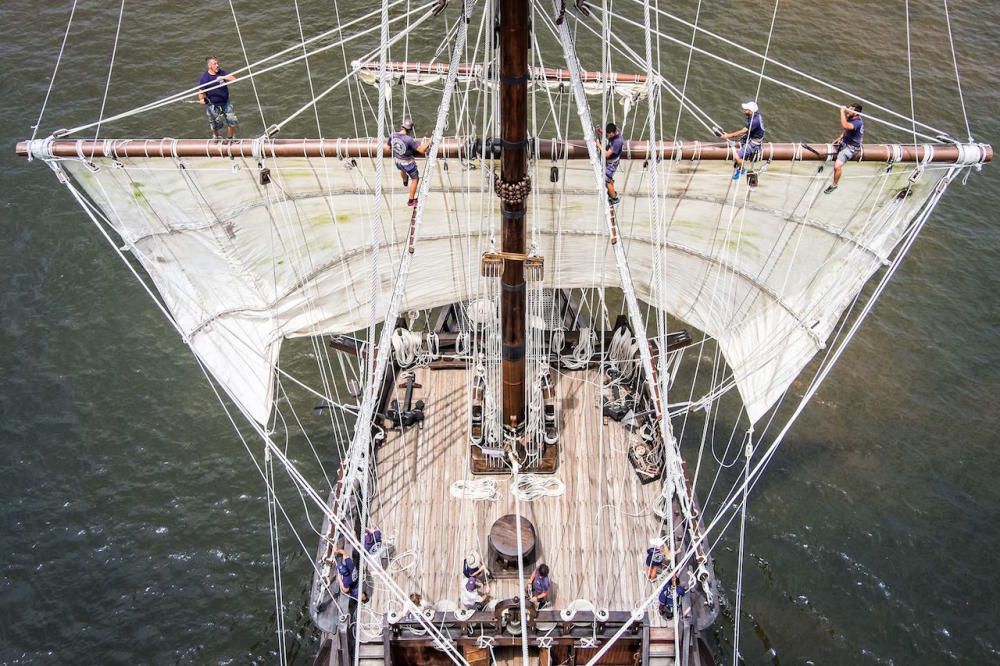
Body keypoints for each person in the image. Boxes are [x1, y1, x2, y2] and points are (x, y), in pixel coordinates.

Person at [717, 101, 765, 180]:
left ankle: (742, 170)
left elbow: (741, 132)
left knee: (737, 156)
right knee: (740, 142)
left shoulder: (754, 121)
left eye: (746, 110)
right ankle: (743, 155)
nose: (744, 111)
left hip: (754, 142)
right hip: (753, 135)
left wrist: (727, 136)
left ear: (751, 111)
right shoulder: (756, 115)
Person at [388, 117, 430, 207]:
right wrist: (430, 141)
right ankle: (411, 201)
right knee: (415, 179)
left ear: (401, 126)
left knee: (402, 170)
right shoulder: (409, 140)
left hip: (397, 161)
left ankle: (404, 181)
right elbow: (421, 150)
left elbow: (389, 148)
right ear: (410, 129)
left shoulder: (392, 135)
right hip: (408, 163)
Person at [825, 103, 865, 194]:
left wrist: (842, 112)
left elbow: (846, 126)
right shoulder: (852, 118)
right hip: (845, 142)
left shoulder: (857, 122)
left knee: (837, 166)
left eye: (850, 109)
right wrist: (841, 137)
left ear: (855, 113)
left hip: (851, 148)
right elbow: (847, 129)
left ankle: (834, 185)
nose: (848, 110)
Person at [197, 56, 238, 140]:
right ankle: (216, 137)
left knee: (232, 121)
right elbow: (201, 92)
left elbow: (234, 79)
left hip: (225, 102)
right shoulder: (205, 78)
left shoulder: (221, 72)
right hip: (213, 104)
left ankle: (230, 138)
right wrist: (201, 99)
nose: (217, 65)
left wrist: (223, 77)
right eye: (215, 64)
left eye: (217, 63)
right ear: (209, 66)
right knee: (215, 124)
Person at [595, 123, 624, 206]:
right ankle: (611, 188)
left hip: (612, 164)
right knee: (608, 179)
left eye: (609, 135)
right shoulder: (615, 131)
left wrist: (599, 145)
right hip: (609, 161)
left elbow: (607, 154)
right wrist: (600, 131)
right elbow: (608, 133)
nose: (608, 136)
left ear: (614, 132)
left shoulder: (618, 142)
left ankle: (614, 199)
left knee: (606, 179)